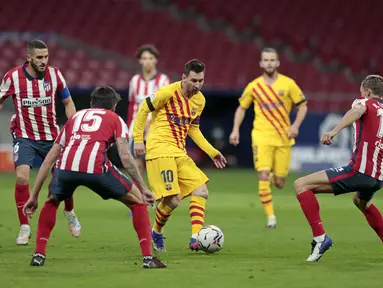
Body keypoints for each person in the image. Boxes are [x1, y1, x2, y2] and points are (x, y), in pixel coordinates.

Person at [23, 86, 166, 269]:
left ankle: (38, 254)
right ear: (114, 106)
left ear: (91, 104)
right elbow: (125, 157)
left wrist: (34, 196)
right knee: (137, 202)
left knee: (52, 202)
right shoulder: (115, 119)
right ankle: (148, 258)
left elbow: (50, 157)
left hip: (66, 168)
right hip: (96, 169)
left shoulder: (75, 117)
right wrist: (144, 189)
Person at [133, 59, 227, 252]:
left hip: (179, 152)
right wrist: (138, 139)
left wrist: (212, 152)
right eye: (193, 80)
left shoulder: (199, 100)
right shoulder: (167, 92)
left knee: (201, 191)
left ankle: (196, 237)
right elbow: (143, 109)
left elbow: (193, 129)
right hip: (159, 151)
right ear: (184, 77)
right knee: (173, 200)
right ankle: (156, 232)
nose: (197, 85)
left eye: (201, 80)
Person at [294, 75, 383, 261]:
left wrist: (334, 131)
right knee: (361, 201)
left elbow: (357, 111)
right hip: (377, 177)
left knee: (301, 184)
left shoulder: (363, 101)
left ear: (367, 92)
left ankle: (320, 239)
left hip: (359, 171)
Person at [0, 39, 81, 245]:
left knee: (63, 179)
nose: (44, 61)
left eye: (46, 57)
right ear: (29, 58)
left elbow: (68, 101)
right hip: (24, 136)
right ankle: (24, 226)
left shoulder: (55, 75)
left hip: (51, 137)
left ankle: (70, 211)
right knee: (21, 177)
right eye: (39, 57)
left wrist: (71, 126)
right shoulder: (12, 77)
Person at [229, 47, 308, 228]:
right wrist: (235, 130)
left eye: (272, 60)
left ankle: (274, 178)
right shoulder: (254, 86)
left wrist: (295, 126)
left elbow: (303, 105)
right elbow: (241, 108)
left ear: (278, 62)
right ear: (261, 63)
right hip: (261, 136)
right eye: (266, 60)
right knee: (263, 175)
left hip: (283, 137)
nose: (269, 63)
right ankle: (271, 218)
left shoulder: (288, 84)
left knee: (279, 182)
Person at [127, 44, 170, 174]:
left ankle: (158, 191)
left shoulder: (163, 80)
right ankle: (141, 193)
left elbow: (166, 106)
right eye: (144, 58)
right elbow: (132, 104)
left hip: (155, 128)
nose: (147, 61)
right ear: (140, 60)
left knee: (156, 165)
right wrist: (130, 126)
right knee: (136, 164)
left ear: (156, 60)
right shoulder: (134, 81)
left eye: (150, 58)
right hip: (137, 128)